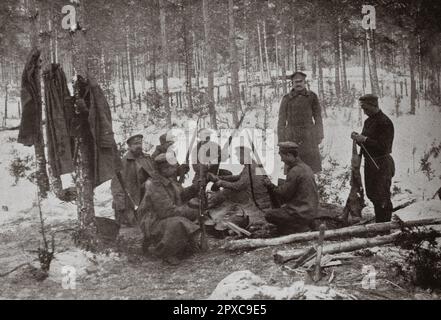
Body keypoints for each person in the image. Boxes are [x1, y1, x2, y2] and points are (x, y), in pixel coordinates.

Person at [138, 153, 201, 265]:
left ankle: (181, 247)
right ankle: (166, 253)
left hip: (162, 218)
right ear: (164, 168)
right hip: (152, 221)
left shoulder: (167, 180)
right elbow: (166, 211)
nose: (176, 168)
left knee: (191, 215)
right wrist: (190, 211)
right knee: (178, 222)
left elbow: (181, 195)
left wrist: (195, 188)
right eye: (173, 166)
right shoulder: (154, 184)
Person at [351, 94, 395, 223]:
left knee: (382, 196)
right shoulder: (368, 121)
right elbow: (367, 142)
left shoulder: (385, 122)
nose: (364, 111)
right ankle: (380, 224)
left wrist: (364, 139)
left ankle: (384, 227)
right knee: (372, 194)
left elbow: (384, 147)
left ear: (373, 105)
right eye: (362, 108)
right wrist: (358, 138)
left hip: (382, 163)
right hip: (370, 163)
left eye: (365, 108)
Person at [262, 141, 319, 235]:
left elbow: (284, 194)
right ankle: (301, 225)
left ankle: (297, 228)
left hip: (301, 212)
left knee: (269, 215)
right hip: (311, 210)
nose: (281, 160)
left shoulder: (295, 171)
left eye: (282, 156)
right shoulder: (306, 167)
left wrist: (270, 186)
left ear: (289, 155)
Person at [277, 71, 324, 173]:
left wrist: (319, 134)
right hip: (292, 138)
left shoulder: (312, 97)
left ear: (304, 82)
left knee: (310, 169)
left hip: (309, 137)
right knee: (293, 168)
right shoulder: (286, 99)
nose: (298, 84)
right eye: (295, 82)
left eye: (300, 81)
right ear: (292, 83)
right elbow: (281, 121)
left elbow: (318, 117)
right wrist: (281, 140)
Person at [207, 146, 272, 211]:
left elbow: (238, 186)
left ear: (243, 156)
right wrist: (221, 178)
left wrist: (221, 183)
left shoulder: (250, 168)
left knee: (226, 192)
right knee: (227, 189)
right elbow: (239, 177)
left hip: (253, 197)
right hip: (258, 194)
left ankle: (207, 205)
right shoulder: (252, 164)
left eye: (238, 156)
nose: (238, 159)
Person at [111, 134, 156, 226]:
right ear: (130, 146)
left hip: (148, 196)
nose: (138, 146)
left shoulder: (147, 158)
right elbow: (116, 185)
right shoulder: (124, 162)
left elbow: (155, 174)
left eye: (140, 143)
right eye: (135, 144)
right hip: (132, 199)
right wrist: (121, 206)